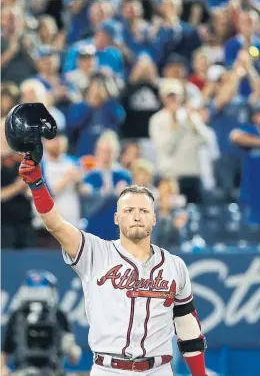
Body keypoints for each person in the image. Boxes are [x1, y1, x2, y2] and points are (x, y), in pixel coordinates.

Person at [17, 132, 208, 375]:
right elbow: (55, 224)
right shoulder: (95, 252)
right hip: (108, 369)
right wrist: (37, 183)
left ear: (154, 217)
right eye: (128, 210)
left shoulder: (175, 265)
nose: (136, 215)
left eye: (143, 210)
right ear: (117, 218)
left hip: (158, 369)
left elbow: (187, 326)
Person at [1, 270, 81, 376]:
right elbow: (73, 357)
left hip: (25, 371)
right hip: (51, 371)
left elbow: (5, 350)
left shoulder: (17, 314)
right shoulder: (58, 314)